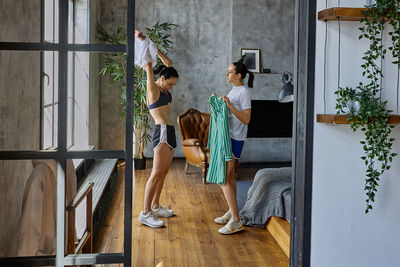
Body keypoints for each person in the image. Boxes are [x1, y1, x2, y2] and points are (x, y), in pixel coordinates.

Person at [135, 30, 179, 228]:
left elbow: (169, 64)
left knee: (164, 172)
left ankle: (155, 206)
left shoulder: (165, 84)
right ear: (161, 79)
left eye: (173, 85)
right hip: (161, 132)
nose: (171, 87)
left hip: (170, 132)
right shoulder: (153, 88)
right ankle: (145, 213)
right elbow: (149, 66)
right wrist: (144, 41)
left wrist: (154, 46)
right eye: (169, 84)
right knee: (155, 173)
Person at [215, 59, 253, 234]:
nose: (227, 74)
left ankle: (236, 221)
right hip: (228, 137)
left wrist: (229, 105)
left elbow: (246, 119)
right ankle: (232, 211)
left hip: (234, 139)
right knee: (229, 177)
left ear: (239, 75)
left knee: (224, 177)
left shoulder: (244, 91)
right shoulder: (235, 89)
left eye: (230, 72)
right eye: (227, 71)